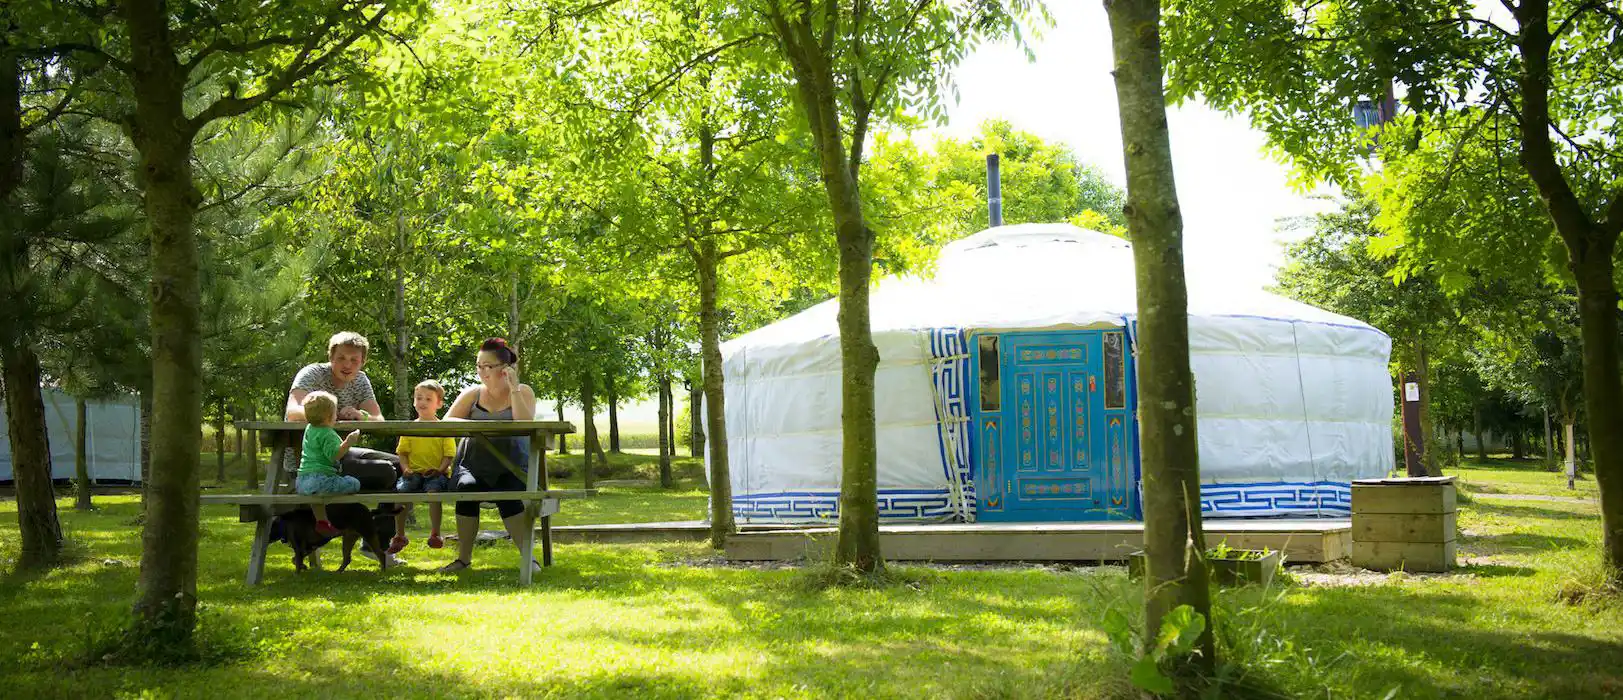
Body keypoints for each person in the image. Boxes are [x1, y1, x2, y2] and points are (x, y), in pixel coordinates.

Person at [438, 337, 538, 573]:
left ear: (505, 369)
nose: (482, 372)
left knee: (509, 491)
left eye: (488, 366)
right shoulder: (472, 394)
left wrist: (513, 389)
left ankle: (529, 559)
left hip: (511, 464)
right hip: (473, 464)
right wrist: (472, 426)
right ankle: (463, 559)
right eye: (479, 366)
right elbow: (447, 421)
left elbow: (525, 424)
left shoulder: (523, 391)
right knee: (466, 490)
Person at [282, 331, 399, 476]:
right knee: (386, 472)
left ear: (363, 362)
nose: (347, 365)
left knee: (400, 466)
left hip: (343, 453)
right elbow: (293, 413)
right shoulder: (311, 374)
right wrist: (329, 413)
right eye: (341, 358)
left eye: (354, 360)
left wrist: (359, 415)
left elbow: (379, 420)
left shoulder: (361, 381)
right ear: (331, 357)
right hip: (310, 463)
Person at [391, 380, 457, 553]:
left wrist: (440, 470)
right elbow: (403, 453)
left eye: (428, 399)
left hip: (437, 473)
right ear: (413, 401)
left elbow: (448, 455)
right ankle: (399, 535)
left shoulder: (444, 428)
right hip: (413, 473)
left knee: (434, 493)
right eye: (419, 398)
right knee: (401, 493)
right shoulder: (410, 428)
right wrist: (405, 469)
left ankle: (435, 533)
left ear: (439, 404)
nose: (422, 402)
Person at [295, 391, 363, 535]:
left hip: (302, 481)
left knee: (316, 495)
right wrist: (348, 443)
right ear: (328, 416)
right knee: (353, 483)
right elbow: (335, 456)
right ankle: (341, 517)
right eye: (334, 412)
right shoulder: (327, 433)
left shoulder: (309, 429)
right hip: (321, 479)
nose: (336, 415)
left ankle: (322, 521)